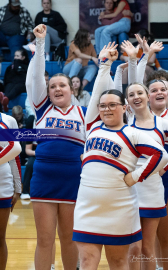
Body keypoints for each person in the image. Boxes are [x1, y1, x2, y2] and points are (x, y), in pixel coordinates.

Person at [72, 43, 168, 270]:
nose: (106, 109)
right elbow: (98, 92)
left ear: (124, 108)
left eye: (113, 105)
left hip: (119, 207)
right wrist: (105, 64)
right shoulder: (92, 126)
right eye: (103, 106)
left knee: (118, 262)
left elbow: (161, 155)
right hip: (87, 206)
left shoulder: (132, 133)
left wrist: (135, 177)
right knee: (87, 262)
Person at [26, 24, 87, 270]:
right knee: (44, 239)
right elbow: (35, 76)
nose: (57, 89)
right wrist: (40, 43)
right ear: (47, 92)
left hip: (73, 179)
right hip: (44, 179)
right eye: (52, 87)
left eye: (62, 85)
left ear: (72, 90)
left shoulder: (84, 113)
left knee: (69, 239)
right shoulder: (42, 109)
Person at [126, 38, 168, 270]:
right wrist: (143, 57)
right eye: (154, 90)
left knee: (167, 234)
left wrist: (164, 167)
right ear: (148, 95)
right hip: (138, 180)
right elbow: (134, 85)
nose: (158, 93)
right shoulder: (134, 115)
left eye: (163, 90)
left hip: (167, 177)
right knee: (144, 238)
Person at [0, 112, 22, 270]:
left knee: (0, 238)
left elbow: (15, 155)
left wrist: (18, 188)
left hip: (3, 184)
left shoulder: (9, 120)